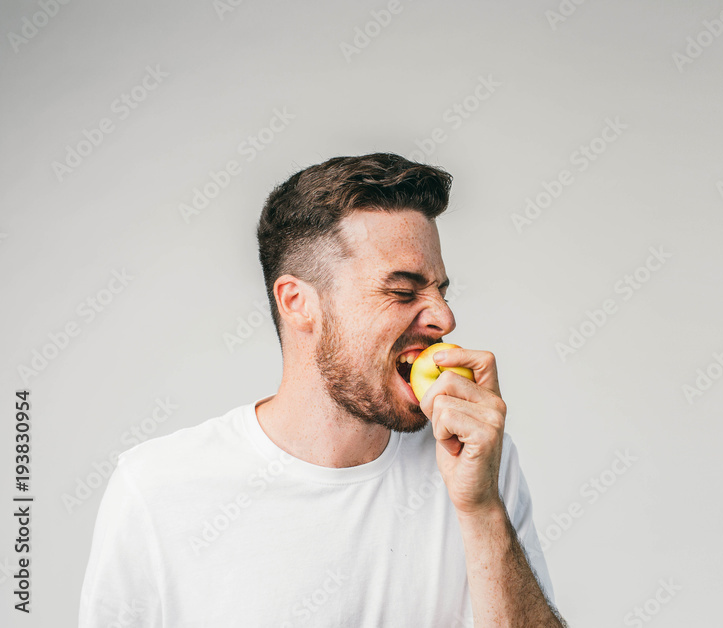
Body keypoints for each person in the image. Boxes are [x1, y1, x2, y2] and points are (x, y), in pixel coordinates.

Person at [79, 153, 566, 627]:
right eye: (403, 291)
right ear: (299, 304)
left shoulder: (474, 464)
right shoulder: (157, 489)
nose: (444, 317)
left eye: (441, 290)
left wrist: (480, 508)